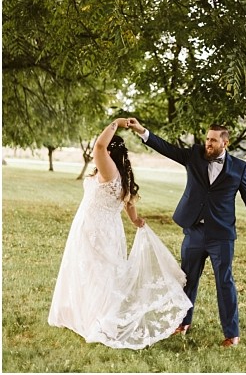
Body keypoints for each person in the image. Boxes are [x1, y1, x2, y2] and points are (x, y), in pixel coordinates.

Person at [126, 118, 246, 347]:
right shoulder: (195, 155)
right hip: (194, 231)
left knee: (224, 282)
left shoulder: (239, 168)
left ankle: (232, 334)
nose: (208, 143)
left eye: (213, 140)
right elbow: (167, 148)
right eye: (207, 139)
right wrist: (142, 131)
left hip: (221, 235)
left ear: (224, 143)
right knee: (187, 279)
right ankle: (182, 323)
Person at [48, 118, 193, 349]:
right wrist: (135, 220)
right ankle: (90, 314)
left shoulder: (108, 169)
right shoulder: (121, 174)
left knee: (96, 272)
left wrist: (116, 123)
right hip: (106, 228)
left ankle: (100, 320)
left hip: (95, 228)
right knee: (100, 272)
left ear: (109, 152)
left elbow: (98, 147)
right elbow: (128, 203)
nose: (99, 151)